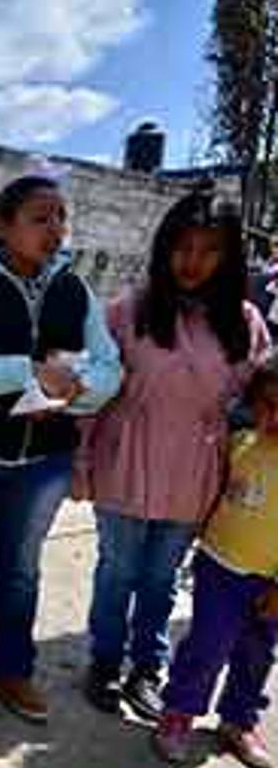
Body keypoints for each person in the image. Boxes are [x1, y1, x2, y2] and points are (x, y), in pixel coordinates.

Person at [0, 174, 122, 723]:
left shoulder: (74, 289)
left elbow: (110, 370)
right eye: (40, 217)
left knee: (21, 568)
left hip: (44, 461)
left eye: (61, 218)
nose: (55, 229)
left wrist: (69, 393)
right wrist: (30, 374)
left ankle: (13, 669)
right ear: (1, 224)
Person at [76, 187, 269, 721]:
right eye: (183, 247)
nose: (193, 262)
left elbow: (258, 402)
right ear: (165, 248)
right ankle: (104, 661)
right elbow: (93, 392)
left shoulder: (245, 323)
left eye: (209, 251)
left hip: (194, 472)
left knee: (162, 579)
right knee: (117, 572)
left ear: (229, 257)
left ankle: (147, 668)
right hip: (125, 461)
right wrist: (81, 461)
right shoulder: (128, 310)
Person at [153, 357, 278, 768]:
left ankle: (239, 720)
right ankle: (179, 712)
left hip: (270, 581)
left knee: (257, 654)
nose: (274, 417)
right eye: (267, 405)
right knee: (207, 645)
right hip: (219, 567)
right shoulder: (239, 444)